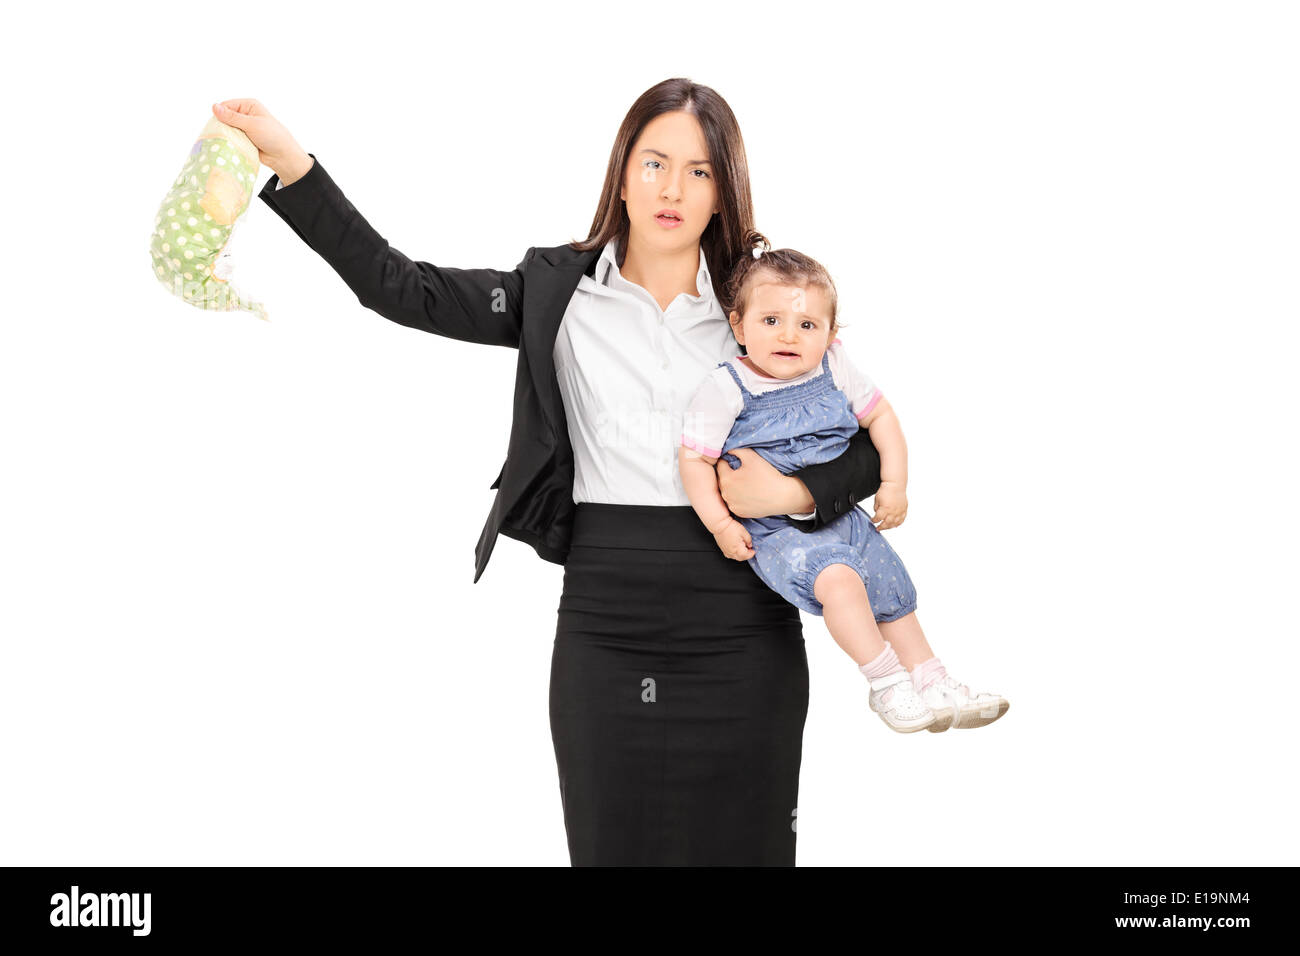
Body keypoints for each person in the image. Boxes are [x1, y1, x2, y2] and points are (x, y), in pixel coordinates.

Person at [212, 78, 885, 866]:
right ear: (621, 173)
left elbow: (867, 445)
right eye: (654, 162)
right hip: (608, 618)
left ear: (723, 190)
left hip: (744, 618)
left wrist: (795, 492)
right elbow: (399, 287)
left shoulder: (764, 304)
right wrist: (295, 166)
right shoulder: (552, 291)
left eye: (699, 171)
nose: (672, 189)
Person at [680, 249, 1010, 733]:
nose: (789, 335)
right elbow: (695, 459)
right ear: (739, 325)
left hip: (844, 518)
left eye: (808, 325)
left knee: (891, 589)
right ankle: (885, 682)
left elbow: (881, 417)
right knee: (839, 581)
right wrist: (722, 524)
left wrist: (895, 484)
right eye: (771, 319)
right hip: (776, 533)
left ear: (831, 336)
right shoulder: (727, 387)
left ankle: (931, 679)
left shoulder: (835, 367)